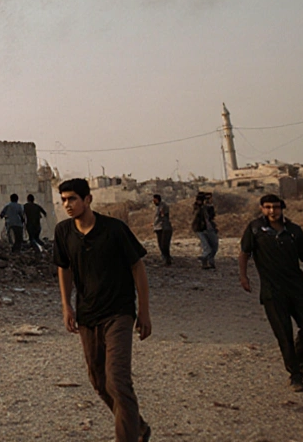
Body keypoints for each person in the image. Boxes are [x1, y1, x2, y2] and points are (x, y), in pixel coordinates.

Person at [55, 178, 152, 442]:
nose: (67, 205)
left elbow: (137, 267)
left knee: (118, 381)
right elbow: (63, 267)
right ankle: (138, 427)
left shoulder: (114, 229)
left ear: (88, 200)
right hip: (87, 315)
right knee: (99, 381)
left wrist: (143, 311)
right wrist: (66, 305)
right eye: (63, 200)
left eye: (73, 199)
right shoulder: (63, 232)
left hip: (118, 313)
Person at [238, 194, 303, 391]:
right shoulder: (255, 229)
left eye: (276, 207)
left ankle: (298, 359)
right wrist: (243, 276)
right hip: (272, 292)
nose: (273, 211)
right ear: (262, 208)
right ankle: (295, 376)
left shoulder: (294, 230)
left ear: (282, 208)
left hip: (297, 288)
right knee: (284, 334)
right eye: (268, 207)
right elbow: (244, 253)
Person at [192, 192, 219, 269]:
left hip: (208, 229)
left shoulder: (207, 207)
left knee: (213, 247)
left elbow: (212, 216)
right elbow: (198, 216)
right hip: (202, 229)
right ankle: (205, 260)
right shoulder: (199, 208)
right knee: (208, 247)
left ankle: (210, 262)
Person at [151, 195, 172, 266]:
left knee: (164, 244)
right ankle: (165, 258)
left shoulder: (163, 206)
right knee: (161, 244)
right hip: (158, 228)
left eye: (155, 200)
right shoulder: (157, 207)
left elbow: (163, 216)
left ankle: (167, 259)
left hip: (164, 227)